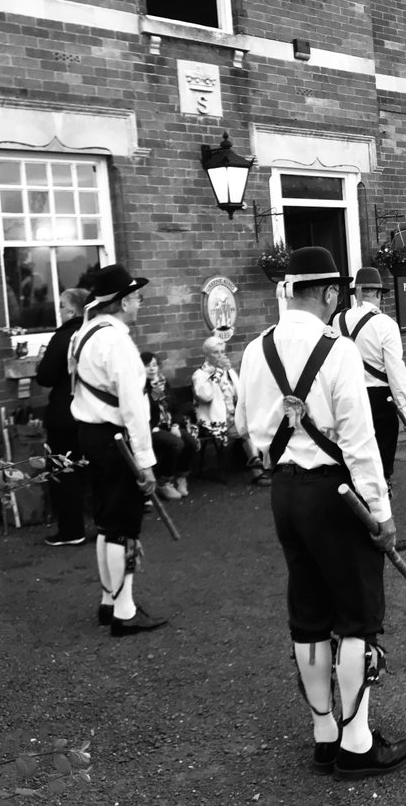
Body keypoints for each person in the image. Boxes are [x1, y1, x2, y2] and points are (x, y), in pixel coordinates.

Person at [234, 246, 406, 780]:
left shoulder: (253, 349)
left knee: (309, 613)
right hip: (336, 496)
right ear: (332, 294)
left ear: (289, 290)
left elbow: (244, 426)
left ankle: (324, 734)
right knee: (356, 614)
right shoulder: (337, 351)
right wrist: (382, 514)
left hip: (285, 494)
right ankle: (357, 745)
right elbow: (360, 444)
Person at [69, 264, 167, 637]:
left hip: (90, 435)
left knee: (107, 521)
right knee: (123, 525)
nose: (140, 304)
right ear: (123, 301)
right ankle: (124, 612)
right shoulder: (118, 342)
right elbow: (134, 407)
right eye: (137, 298)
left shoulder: (84, 334)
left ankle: (109, 602)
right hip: (117, 440)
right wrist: (146, 462)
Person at [336, 267, 406, 552]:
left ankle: (353, 526)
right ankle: (382, 530)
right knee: (380, 467)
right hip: (380, 401)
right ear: (379, 294)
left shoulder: (337, 319)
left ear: (357, 292)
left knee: (351, 461)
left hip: (347, 398)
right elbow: (396, 371)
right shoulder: (385, 325)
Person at [35, 287, 91, 546]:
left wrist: (40, 363)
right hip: (94, 412)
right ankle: (105, 524)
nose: (58, 310)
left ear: (71, 310)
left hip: (65, 414)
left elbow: (45, 377)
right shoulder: (96, 334)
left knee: (64, 470)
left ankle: (71, 530)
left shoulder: (64, 336)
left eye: (61, 305)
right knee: (94, 468)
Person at [192, 336, 270, 486]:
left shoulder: (229, 372)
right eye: (216, 352)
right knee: (246, 430)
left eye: (222, 352)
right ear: (206, 355)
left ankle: (262, 462)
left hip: (233, 418)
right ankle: (257, 470)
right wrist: (218, 372)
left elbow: (239, 394)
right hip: (213, 422)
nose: (221, 355)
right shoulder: (200, 375)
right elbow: (205, 396)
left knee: (257, 422)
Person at [141, 352, 198, 500]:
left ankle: (181, 477)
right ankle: (164, 481)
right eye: (147, 366)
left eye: (154, 365)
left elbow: (176, 407)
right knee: (175, 444)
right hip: (152, 428)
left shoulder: (163, 382)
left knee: (190, 442)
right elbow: (144, 414)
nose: (152, 369)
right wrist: (153, 397)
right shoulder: (140, 386)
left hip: (168, 425)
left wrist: (175, 425)